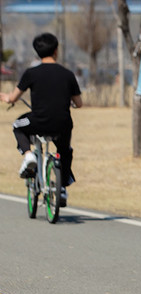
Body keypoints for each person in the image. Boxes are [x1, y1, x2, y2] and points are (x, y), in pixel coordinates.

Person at [0, 33, 82, 204]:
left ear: (37, 52)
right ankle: (62, 187)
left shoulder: (31, 73)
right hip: (63, 123)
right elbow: (79, 103)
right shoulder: (67, 74)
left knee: (17, 125)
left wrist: (5, 97)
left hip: (38, 121)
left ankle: (29, 155)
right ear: (56, 51)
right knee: (65, 150)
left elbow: (12, 98)